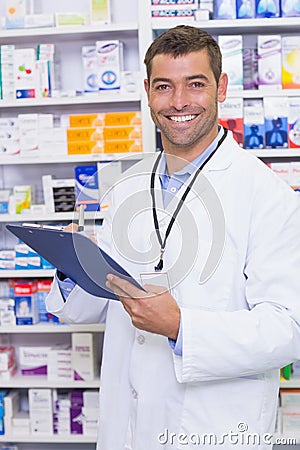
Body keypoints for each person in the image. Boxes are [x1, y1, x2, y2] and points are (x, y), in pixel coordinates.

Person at [46, 25, 300, 449]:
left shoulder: (265, 194)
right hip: (128, 428)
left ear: (220, 88)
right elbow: (105, 302)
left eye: (195, 84)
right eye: (164, 86)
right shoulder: (127, 186)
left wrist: (182, 326)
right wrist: (75, 267)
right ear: (147, 91)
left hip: (213, 431)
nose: (179, 102)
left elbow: (288, 329)